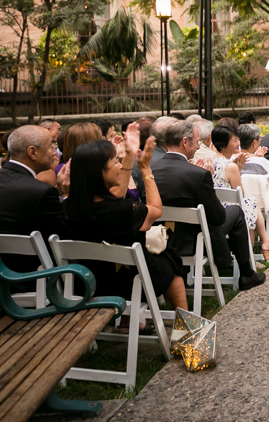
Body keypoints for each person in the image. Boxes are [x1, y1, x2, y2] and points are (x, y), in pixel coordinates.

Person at [63, 134, 188, 322]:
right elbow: (156, 210)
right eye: (115, 162)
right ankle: (187, 329)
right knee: (171, 263)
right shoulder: (122, 211)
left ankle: (129, 324)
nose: (120, 166)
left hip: (84, 284)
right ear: (99, 173)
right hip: (126, 285)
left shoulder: (67, 207)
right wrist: (145, 169)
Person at [151, 119, 266, 290]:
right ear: (184, 142)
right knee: (236, 211)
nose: (199, 147)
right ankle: (246, 274)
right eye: (196, 142)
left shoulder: (151, 169)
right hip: (194, 240)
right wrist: (207, 179)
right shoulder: (197, 173)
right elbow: (218, 216)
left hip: (160, 239)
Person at [207, 125, 269, 259]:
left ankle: (264, 245)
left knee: (251, 205)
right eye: (234, 140)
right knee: (250, 207)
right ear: (224, 145)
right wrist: (238, 169)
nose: (238, 143)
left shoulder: (210, 161)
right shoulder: (230, 166)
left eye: (238, 140)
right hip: (227, 211)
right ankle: (251, 258)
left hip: (212, 209)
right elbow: (239, 195)